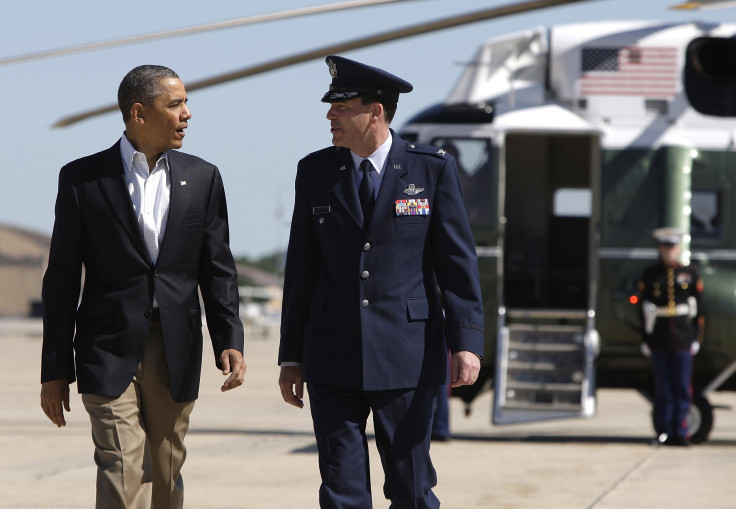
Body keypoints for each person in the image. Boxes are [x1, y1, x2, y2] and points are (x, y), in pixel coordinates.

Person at [278, 55, 484, 508]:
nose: (330, 115)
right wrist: (291, 355)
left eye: (342, 106)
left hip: (407, 355)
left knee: (411, 488)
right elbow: (301, 269)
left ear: (376, 111)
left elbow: (456, 262)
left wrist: (465, 341)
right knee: (341, 491)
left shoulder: (432, 169)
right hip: (332, 354)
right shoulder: (314, 172)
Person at [40, 65, 246, 508]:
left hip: (176, 346)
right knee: (120, 462)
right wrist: (55, 368)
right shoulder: (82, 180)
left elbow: (218, 269)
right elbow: (60, 279)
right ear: (138, 112)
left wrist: (229, 338)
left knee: (165, 468)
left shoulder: (203, 178)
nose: (187, 114)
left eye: (185, 103)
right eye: (175, 104)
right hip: (106, 347)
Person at [638, 226, 705, 446]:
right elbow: (643, 309)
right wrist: (645, 339)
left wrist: (697, 338)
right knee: (663, 390)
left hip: (683, 339)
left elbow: (700, 310)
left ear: (678, 249)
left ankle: (681, 432)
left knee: (683, 390)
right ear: (661, 249)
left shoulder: (690, 274)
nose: (669, 251)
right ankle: (663, 432)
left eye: (673, 247)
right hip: (659, 338)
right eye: (666, 247)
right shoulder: (650, 274)